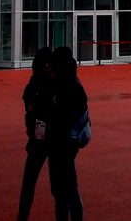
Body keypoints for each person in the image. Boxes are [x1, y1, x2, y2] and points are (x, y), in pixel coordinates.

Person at [46, 46, 88, 221]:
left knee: (68, 191)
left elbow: (64, 117)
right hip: (60, 144)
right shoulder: (63, 85)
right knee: (62, 192)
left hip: (64, 144)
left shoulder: (70, 89)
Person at [17, 47, 52, 221]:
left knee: (29, 181)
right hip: (52, 134)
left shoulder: (36, 80)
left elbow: (27, 98)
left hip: (39, 132)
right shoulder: (53, 80)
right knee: (61, 185)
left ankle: (22, 216)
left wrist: (31, 115)